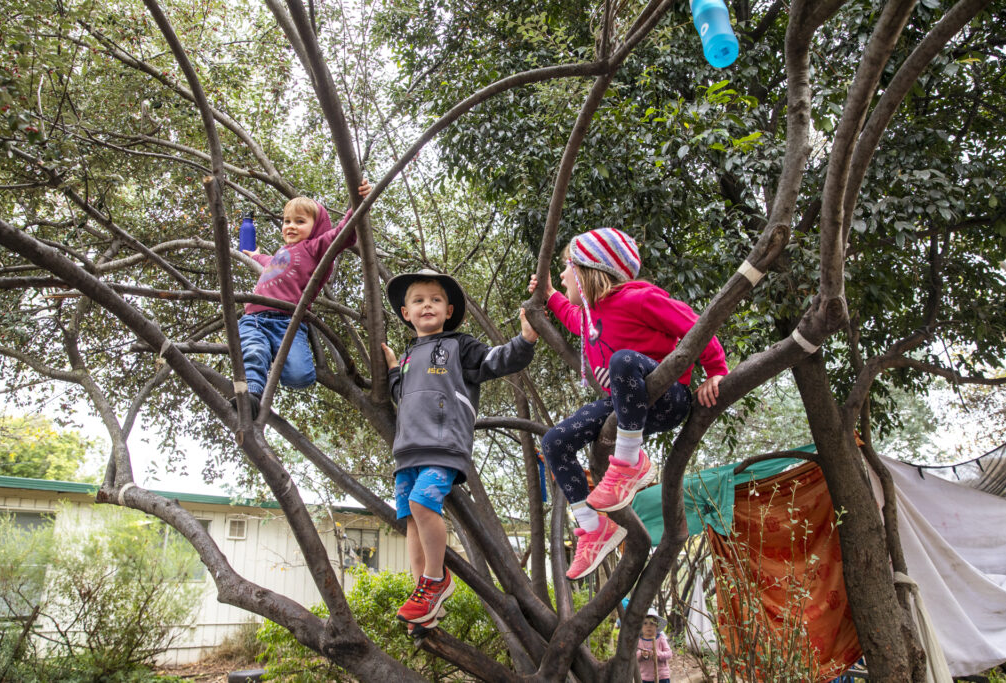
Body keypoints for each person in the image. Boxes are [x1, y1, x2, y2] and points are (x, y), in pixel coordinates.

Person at [528, 228, 728, 580]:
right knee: (555, 442)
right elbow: (575, 321)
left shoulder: (638, 299)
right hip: (626, 409)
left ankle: (629, 463)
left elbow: (695, 326)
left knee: (622, 361)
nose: (561, 275)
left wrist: (715, 370)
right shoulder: (592, 316)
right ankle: (593, 528)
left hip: (668, 398)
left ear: (588, 271)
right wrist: (549, 296)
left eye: (566, 268)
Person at [382, 269, 537, 633]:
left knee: (423, 503)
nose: (427, 306)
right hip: (407, 452)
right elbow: (399, 395)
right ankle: (424, 602)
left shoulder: (459, 346)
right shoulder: (406, 357)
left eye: (435, 300)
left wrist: (526, 339)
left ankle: (436, 581)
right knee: (411, 522)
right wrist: (391, 368)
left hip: (443, 445)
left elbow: (496, 360)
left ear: (448, 310)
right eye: (418, 300)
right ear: (406, 313)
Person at [235, 179, 371, 417]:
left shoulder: (314, 248)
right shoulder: (280, 253)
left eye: (300, 221)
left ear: (316, 227)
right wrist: (255, 256)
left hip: (287, 323)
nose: (291, 226)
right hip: (254, 318)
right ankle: (251, 396)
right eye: (287, 221)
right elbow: (268, 263)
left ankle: (274, 353)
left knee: (300, 376)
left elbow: (343, 233)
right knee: (254, 352)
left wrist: (359, 203)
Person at [637, 607, 672, 683]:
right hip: (645, 677)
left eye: (652, 623)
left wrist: (658, 654)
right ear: (641, 626)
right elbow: (634, 657)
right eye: (645, 623)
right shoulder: (639, 641)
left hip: (662, 676)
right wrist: (641, 654)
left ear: (657, 626)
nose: (648, 626)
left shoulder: (660, 638)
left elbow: (669, 654)